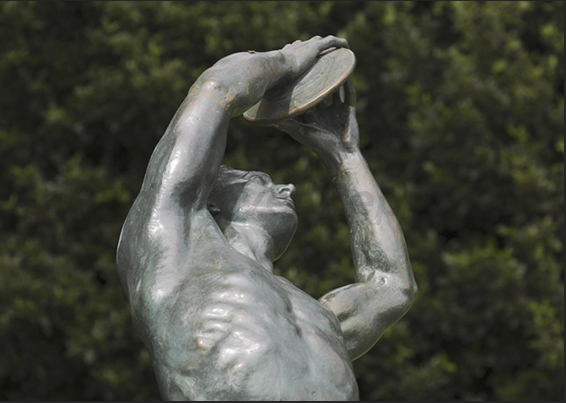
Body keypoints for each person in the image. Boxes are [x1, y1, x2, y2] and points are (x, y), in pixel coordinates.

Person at [116, 36, 417, 401]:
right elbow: (216, 88)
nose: (287, 187)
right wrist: (285, 62)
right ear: (210, 204)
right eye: (259, 181)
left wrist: (345, 154)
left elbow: (392, 286)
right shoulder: (174, 257)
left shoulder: (318, 317)